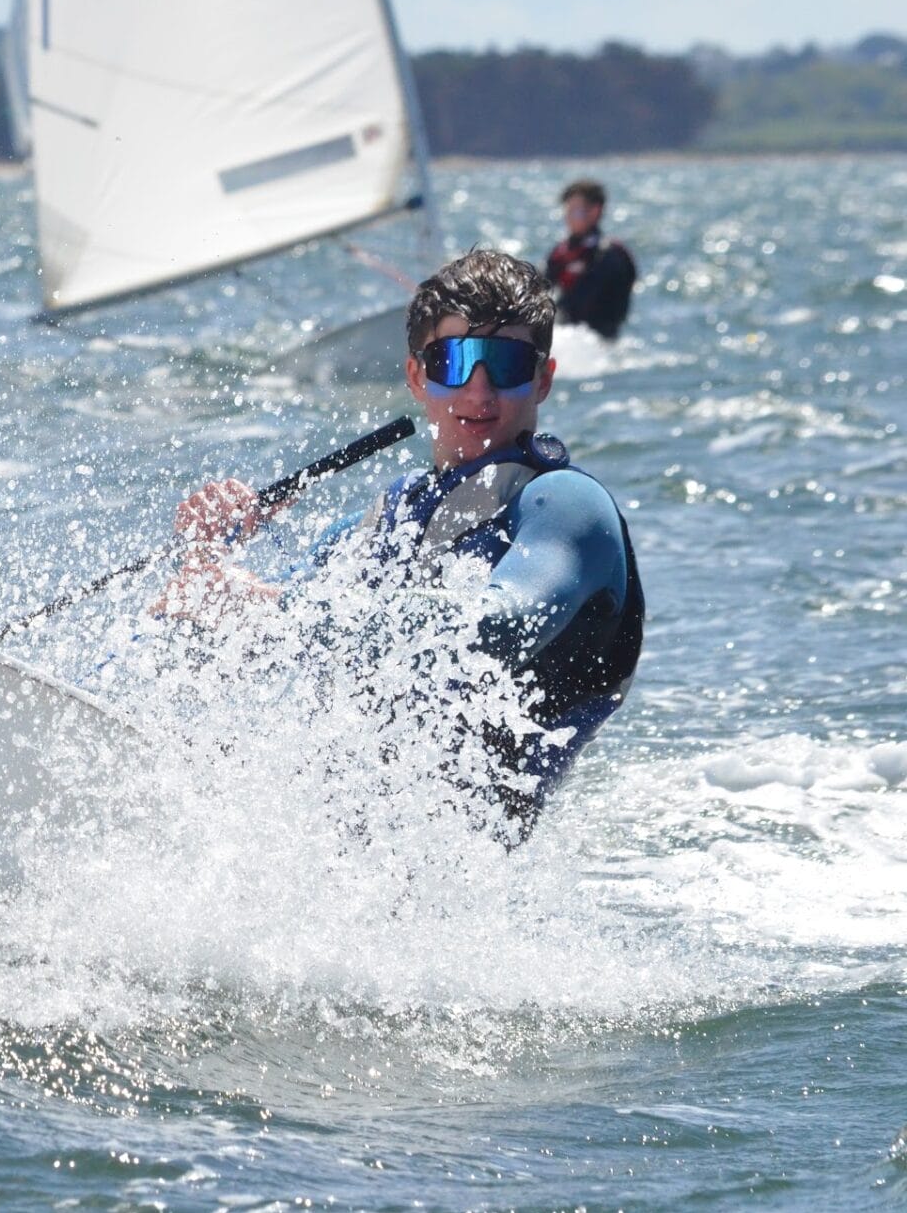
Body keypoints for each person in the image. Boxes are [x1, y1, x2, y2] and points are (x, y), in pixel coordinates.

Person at [162, 250, 644, 841]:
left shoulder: (566, 505)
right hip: (340, 841)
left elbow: (492, 627)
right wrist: (206, 573)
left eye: (507, 363)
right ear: (417, 377)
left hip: (462, 863)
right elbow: (261, 638)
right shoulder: (391, 517)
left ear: (542, 378)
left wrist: (270, 607)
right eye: (454, 362)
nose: (479, 390)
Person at [545, 179, 637, 340]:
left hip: (597, 338)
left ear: (595, 211)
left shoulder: (611, 254)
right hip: (565, 332)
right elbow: (543, 286)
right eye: (567, 211)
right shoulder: (560, 253)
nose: (569, 218)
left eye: (576, 212)